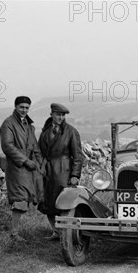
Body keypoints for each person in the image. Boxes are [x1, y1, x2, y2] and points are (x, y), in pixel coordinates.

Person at [38, 103, 84, 240]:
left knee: (64, 202)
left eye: (63, 115)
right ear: (51, 114)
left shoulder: (71, 131)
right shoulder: (45, 132)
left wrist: (75, 175)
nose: (61, 117)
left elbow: (78, 156)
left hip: (64, 170)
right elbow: (40, 152)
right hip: (48, 170)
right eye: (58, 114)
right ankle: (56, 232)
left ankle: (67, 233)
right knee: (48, 201)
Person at [0, 96, 43, 242]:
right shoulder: (8, 124)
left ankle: (55, 230)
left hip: (30, 166)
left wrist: (40, 163)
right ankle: (14, 233)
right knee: (20, 198)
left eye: (27, 107)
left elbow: (35, 146)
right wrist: (25, 161)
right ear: (15, 107)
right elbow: (7, 146)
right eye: (21, 107)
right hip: (17, 166)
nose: (24, 110)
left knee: (34, 195)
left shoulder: (29, 126)